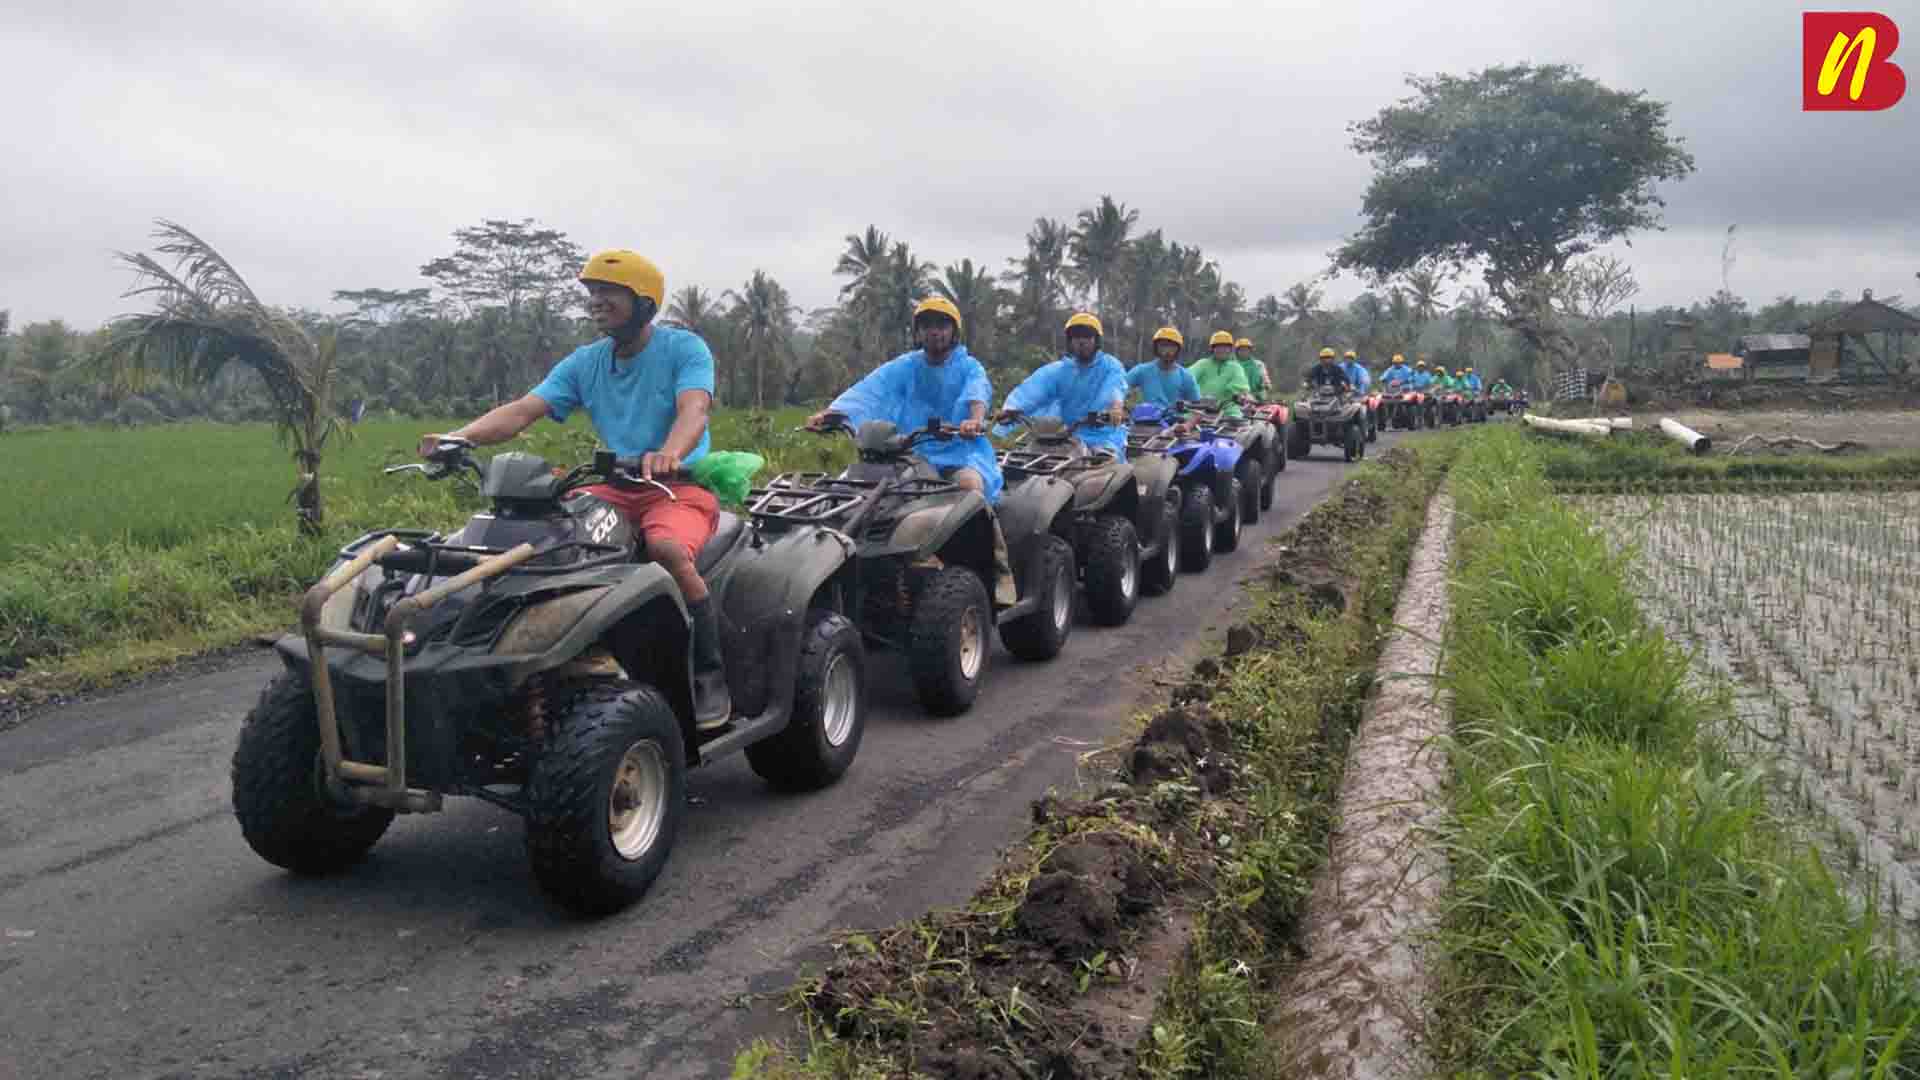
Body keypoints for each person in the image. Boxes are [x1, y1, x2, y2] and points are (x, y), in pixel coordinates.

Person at [417, 249, 733, 729]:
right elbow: (523, 410)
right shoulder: (586, 362)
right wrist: (458, 438)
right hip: (613, 487)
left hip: (676, 486)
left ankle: (707, 673)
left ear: (644, 302)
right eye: (591, 294)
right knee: (541, 541)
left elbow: (694, 409)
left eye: (608, 293)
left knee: (667, 549)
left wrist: (670, 452)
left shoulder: (684, 349)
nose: (596, 302)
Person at [809, 296, 1003, 501]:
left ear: (954, 331)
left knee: (970, 486)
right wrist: (831, 413)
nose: (934, 332)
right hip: (909, 452)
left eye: (941, 325)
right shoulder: (906, 365)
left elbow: (977, 393)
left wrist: (974, 421)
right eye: (926, 326)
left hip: (960, 452)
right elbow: (870, 389)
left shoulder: (969, 366)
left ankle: (990, 531)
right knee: (852, 488)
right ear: (918, 332)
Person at [996, 313, 1129, 459]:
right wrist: (1011, 410)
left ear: (1096, 340)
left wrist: (1115, 409)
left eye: (1086, 336)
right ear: (1069, 341)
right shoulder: (1059, 370)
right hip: (1067, 436)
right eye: (1075, 336)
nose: (1081, 341)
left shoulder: (1111, 366)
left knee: (1105, 464)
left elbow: (1115, 388)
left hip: (1103, 436)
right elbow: (1031, 392)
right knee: (1021, 462)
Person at [1126, 326, 1201, 408]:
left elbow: (1197, 404)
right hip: (1147, 419)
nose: (1168, 351)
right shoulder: (1141, 371)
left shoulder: (1186, 376)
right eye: (1163, 345)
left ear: (1178, 349)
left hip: (1177, 419)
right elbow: (1120, 387)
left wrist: (1189, 420)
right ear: (1156, 348)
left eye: (1172, 346)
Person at [1189, 331, 1252, 417]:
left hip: (1227, 409)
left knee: (1238, 421)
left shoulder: (1235, 367)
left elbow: (1241, 386)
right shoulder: (1202, 364)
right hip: (1200, 408)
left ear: (1230, 349)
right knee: (1182, 422)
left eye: (1226, 347)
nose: (1222, 350)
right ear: (1212, 349)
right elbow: (1187, 378)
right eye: (1219, 347)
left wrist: (1241, 395)